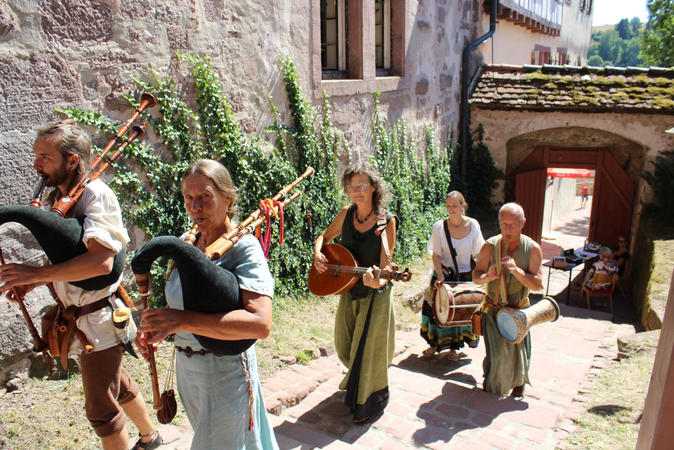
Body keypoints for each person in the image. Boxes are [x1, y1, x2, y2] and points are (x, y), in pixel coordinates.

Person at [0, 119, 161, 450]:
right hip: (84, 316)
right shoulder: (61, 198)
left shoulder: (96, 195)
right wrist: (36, 280)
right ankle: (151, 437)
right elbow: (72, 257)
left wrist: (34, 275)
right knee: (118, 383)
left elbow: (99, 262)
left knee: (101, 410)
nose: (36, 165)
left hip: (99, 318)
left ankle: (147, 438)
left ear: (72, 160)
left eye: (45, 157)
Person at [136, 159, 279, 450]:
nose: (195, 206)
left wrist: (182, 321)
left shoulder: (243, 248)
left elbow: (260, 324)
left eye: (205, 196)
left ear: (228, 198)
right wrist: (157, 327)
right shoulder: (190, 244)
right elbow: (178, 306)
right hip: (190, 372)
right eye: (189, 197)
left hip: (224, 373)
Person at [312, 161, 397, 425]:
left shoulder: (386, 221)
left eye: (361, 185)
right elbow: (323, 238)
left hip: (375, 295)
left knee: (369, 349)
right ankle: (357, 383)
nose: (355, 191)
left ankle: (369, 402)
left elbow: (385, 267)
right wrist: (317, 254)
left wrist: (377, 282)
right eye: (351, 187)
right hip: (348, 288)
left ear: (373, 187)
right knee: (345, 341)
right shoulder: (346, 214)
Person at [473, 203, 543, 397]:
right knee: (495, 353)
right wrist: (486, 278)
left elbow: (537, 285)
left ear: (523, 223)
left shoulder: (533, 249)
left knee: (519, 351)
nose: (508, 229)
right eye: (504, 224)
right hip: (494, 309)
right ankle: (492, 381)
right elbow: (475, 275)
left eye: (513, 224)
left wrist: (517, 271)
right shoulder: (490, 246)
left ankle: (518, 384)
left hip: (519, 310)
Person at [421, 191, 485, 361]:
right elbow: (436, 255)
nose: (451, 209)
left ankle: (454, 348)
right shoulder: (439, 227)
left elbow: (479, 253)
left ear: (463, 205)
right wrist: (440, 275)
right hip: (443, 274)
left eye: (455, 205)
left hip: (464, 276)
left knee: (459, 313)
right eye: (448, 205)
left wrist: (483, 273)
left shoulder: (473, 225)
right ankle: (434, 344)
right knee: (438, 310)